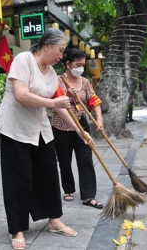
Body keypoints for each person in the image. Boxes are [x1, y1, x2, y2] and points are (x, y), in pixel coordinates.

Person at [0, 29, 93, 250]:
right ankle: (17, 228)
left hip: (40, 130)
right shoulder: (24, 60)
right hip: (15, 129)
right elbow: (21, 94)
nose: (61, 56)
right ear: (46, 45)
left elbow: (61, 104)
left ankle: (54, 219)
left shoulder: (50, 73)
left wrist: (79, 131)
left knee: (49, 173)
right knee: (19, 179)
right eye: (60, 50)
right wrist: (53, 105)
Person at [51, 48, 104, 209]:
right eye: (78, 64)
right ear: (68, 64)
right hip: (61, 127)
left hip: (82, 125)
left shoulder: (85, 82)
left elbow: (94, 100)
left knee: (86, 158)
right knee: (65, 161)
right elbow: (56, 103)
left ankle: (88, 196)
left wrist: (99, 118)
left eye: (82, 65)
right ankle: (68, 189)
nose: (80, 68)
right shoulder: (58, 81)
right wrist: (67, 95)